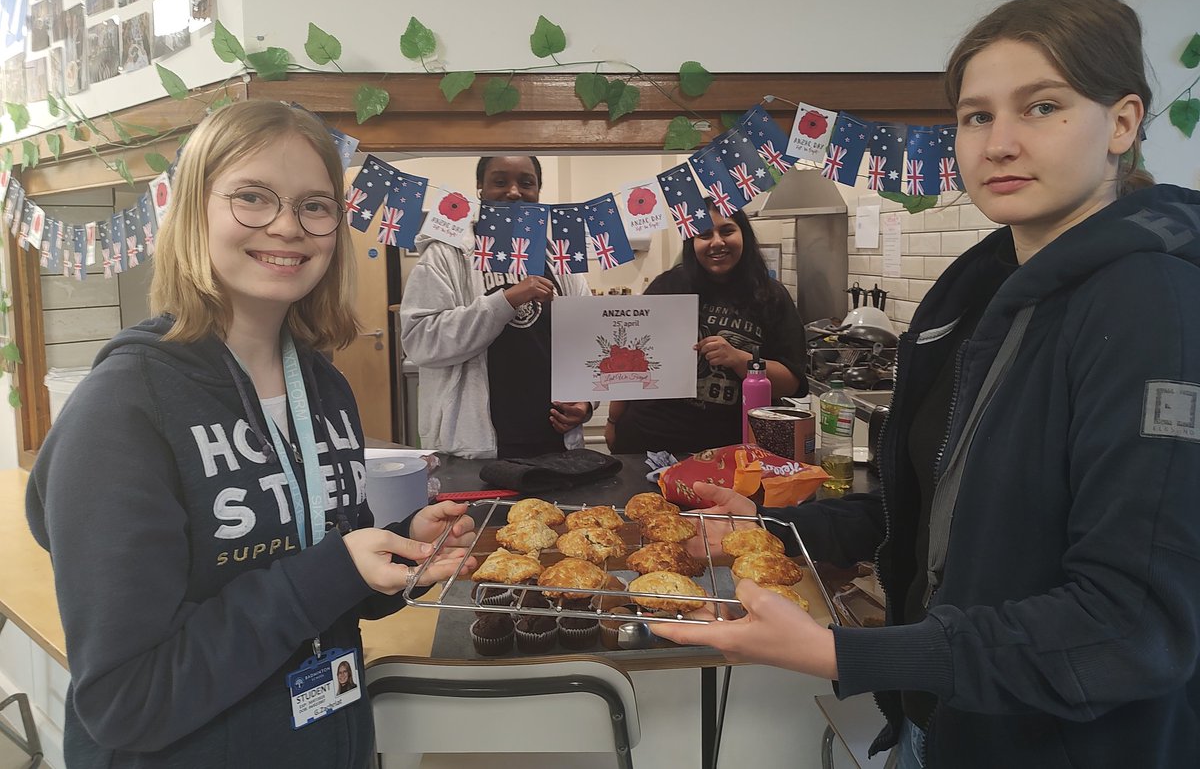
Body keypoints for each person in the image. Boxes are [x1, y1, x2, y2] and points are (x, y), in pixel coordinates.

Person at [654, 0, 1200, 769]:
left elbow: (1132, 624)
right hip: (946, 727)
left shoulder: (1155, 307)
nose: (1000, 143)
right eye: (976, 117)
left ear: (1122, 123)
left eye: (1041, 107)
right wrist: (767, 524)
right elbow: (933, 507)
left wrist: (847, 655)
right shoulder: (984, 291)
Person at [26, 101, 477, 769]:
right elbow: (128, 700)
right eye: (252, 198)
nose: (288, 226)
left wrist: (395, 553)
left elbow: (318, 587)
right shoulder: (123, 409)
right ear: (192, 212)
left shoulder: (324, 388)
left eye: (315, 206)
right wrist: (332, 568)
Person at [400, 155, 594, 459]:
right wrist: (506, 300)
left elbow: (588, 344)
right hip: (476, 448)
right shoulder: (447, 255)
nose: (514, 192)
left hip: (554, 443)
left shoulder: (559, 258)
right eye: (500, 182)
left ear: (539, 191)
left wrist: (585, 402)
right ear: (480, 188)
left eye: (526, 183)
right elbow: (420, 342)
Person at [605, 202, 807, 455]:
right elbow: (632, 360)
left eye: (727, 231)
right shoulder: (668, 286)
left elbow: (791, 383)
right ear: (692, 242)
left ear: (743, 234)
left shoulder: (771, 296)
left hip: (734, 448)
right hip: (651, 441)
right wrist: (613, 420)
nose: (716, 242)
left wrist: (739, 359)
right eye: (704, 234)